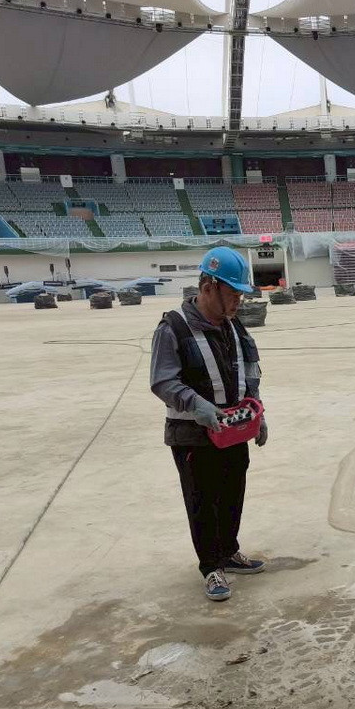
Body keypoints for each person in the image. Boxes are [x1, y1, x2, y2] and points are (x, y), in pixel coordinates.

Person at [150, 248, 269, 602]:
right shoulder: (172, 328)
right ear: (208, 286)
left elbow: (250, 371)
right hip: (193, 436)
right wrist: (198, 405)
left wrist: (259, 413)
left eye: (240, 295)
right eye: (232, 293)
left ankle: (228, 551)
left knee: (233, 492)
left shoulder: (234, 326)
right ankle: (210, 567)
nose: (238, 301)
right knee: (203, 500)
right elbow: (162, 381)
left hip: (234, 429)